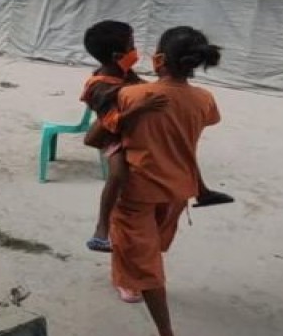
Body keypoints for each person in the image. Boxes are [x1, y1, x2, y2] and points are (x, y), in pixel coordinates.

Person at [109, 26, 223, 336]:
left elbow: (106, 133)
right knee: (148, 246)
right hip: (178, 189)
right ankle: (128, 280)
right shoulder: (204, 99)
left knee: (145, 260)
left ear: (158, 59)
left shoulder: (132, 97)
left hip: (138, 190)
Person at [81, 21, 233, 255]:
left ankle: (202, 191)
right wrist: (138, 108)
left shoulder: (123, 74)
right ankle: (101, 229)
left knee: (183, 153)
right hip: (114, 135)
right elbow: (109, 122)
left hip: (131, 128)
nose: (137, 51)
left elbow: (142, 89)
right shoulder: (99, 86)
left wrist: (156, 90)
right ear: (118, 55)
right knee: (119, 173)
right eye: (132, 46)